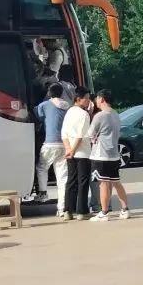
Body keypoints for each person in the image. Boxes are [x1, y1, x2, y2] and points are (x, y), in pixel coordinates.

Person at [27, 83, 70, 211]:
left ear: (49, 93)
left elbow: (38, 115)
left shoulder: (44, 105)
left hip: (50, 143)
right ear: (62, 93)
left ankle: (43, 193)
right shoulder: (68, 106)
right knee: (62, 176)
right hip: (64, 144)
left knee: (41, 167)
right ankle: (62, 207)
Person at [89, 89, 130, 221]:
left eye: (97, 98)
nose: (95, 101)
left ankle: (104, 212)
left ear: (101, 99)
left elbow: (90, 133)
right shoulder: (115, 114)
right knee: (116, 182)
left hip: (101, 154)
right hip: (114, 155)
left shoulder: (99, 116)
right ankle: (125, 209)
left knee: (103, 184)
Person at [61, 87, 93, 221]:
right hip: (82, 152)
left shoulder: (69, 112)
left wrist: (68, 149)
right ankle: (82, 211)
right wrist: (73, 150)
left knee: (71, 181)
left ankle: (68, 211)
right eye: (87, 98)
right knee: (83, 181)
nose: (89, 101)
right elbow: (80, 136)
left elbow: (64, 133)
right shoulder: (84, 114)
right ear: (79, 99)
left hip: (70, 152)